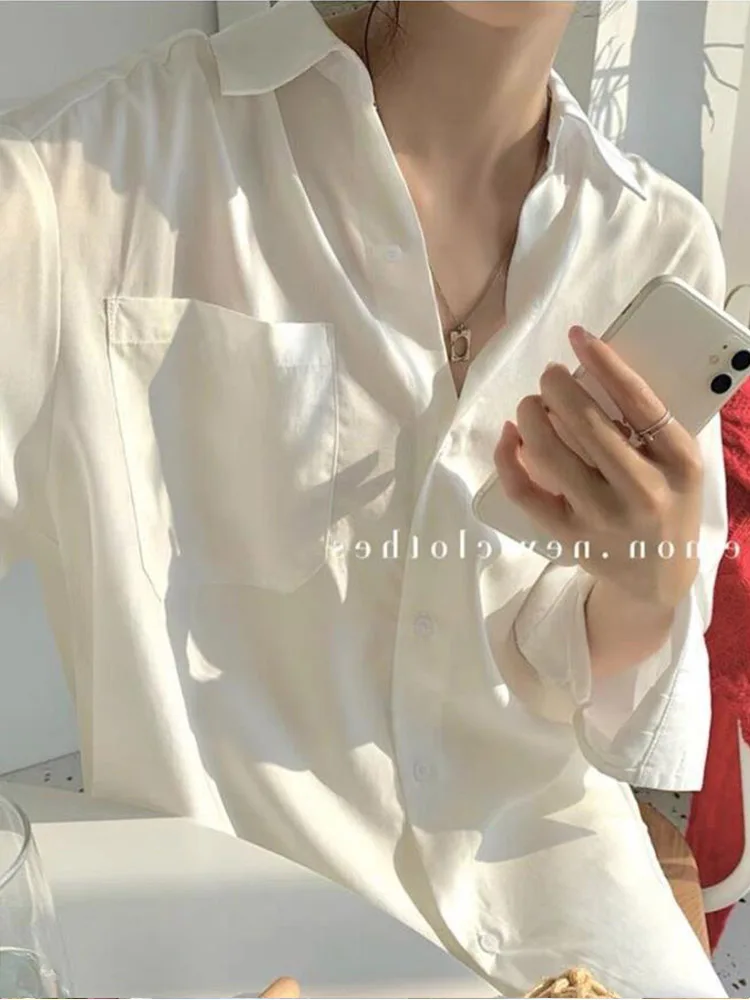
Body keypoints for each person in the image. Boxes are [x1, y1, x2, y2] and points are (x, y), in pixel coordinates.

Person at [0, 1, 730, 996]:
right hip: (240, 935)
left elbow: (573, 665)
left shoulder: (656, 240)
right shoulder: (73, 182)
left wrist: (651, 573)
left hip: (568, 908)